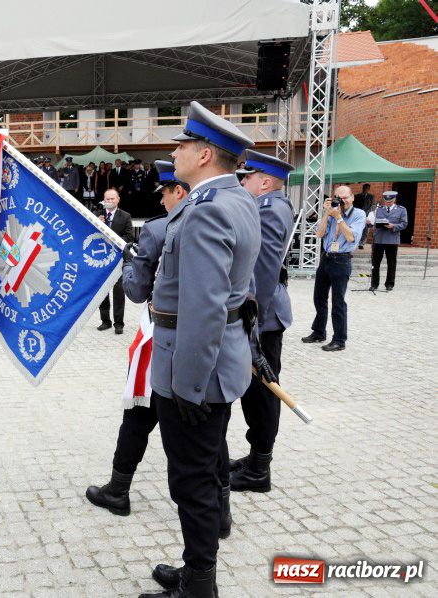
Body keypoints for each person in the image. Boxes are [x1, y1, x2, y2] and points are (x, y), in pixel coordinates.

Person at [139, 102, 261, 598]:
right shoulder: (237, 200)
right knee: (204, 472)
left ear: (206, 155)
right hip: (216, 365)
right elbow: (241, 291)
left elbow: (206, 308)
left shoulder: (208, 211)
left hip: (195, 373)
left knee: (191, 482)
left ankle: (199, 586)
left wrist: (188, 386)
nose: (175, 151)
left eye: (183, 144)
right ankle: (196, 571)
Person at [86, 161, 194, 517]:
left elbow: (135, 291)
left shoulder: (159, 229)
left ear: (179, 191)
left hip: (161, 339)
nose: (161, 201)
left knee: (137, 417)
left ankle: (119, 490)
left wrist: (129, 263)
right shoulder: (219, 218)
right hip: (202, 341)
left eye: (164, 193)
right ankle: (219, 505)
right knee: (204, 433)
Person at [230, 150, 296, 494]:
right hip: (262, 314)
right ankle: (256, 455)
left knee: (264, 390)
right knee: (255, 390)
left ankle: (259, 469)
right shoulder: (268, 206)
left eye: (249, 177)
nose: (243, 182)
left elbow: (264, 271)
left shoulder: (270, 209)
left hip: (264, 318)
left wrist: (252, 322)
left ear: (265, 182)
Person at [302, 185, 366, 351]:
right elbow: (320, 234)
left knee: (338, 302)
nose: (341, 200)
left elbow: (351, 237)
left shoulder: (359, 214)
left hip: (342, 260)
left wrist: (339, 218)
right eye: (337, 197)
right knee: (319, 297)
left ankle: (339, 339)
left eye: (344, 197)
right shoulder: (331, 212)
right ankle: (318, 332)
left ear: (352, 198)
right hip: (326, 257)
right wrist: (326, 214)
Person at [97, 189, 134, 334]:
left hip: (118, 260)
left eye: (112, 199)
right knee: (103, 293)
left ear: (118, 199)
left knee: (119, 292)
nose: (109, 201)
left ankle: (119, 323)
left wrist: (114, 242)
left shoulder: (125, 216)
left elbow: (129, 237)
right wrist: (98, 224)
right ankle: (105, 321)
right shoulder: (98, 216)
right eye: (107, 199)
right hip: (102, 260)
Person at [368, 190, 407, 292]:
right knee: (375, 263)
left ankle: (389, 284)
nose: (388, 203)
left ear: (394, 199)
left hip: (392, 240)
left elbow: (404, 224)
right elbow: (372, 222)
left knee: (391, 263)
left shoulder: (401, 210)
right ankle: (374, 284)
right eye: (386, 201)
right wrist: (370, 224)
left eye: (390, 201)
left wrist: (393, 226)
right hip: (379, 239)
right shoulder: (378, 209)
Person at [354, 183, 375, 249]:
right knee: (358, 229)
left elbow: (373, 205)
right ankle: (356, 242)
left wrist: (369, 214)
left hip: (367, 215)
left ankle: (362, 244)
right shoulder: (357, 196)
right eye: (364, 187)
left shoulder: (371, 196)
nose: (365, 189)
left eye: (367, 188)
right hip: (358, 215)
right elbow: (354, 205)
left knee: (366, 230)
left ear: (369, 189)